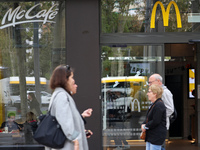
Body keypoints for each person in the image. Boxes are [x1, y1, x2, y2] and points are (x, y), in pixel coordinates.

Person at [45, 65, 90, 150]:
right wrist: (75, 139)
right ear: (65, 79)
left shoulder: (59, 94)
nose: (73, 81)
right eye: (72, 77)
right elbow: (64, 120)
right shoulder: (61, 95)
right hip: (67, 146)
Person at [148, 74, 174, 150]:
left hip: (160, 126)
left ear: (158, 81)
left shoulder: (165, 92)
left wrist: (159, 117)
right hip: (155, 125)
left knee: (157, 146)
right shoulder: (156, 92)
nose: (149, 84)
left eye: (151, 82)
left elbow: (170, 109)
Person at [141, 84, 166, 150]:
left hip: (156, 136)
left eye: (149, 92)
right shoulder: (154, 104)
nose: (147, 94)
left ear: (155, 94)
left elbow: (156, 121)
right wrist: (143, 124)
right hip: (151, 136)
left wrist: (145, 126)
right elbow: (148, 118)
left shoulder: (159, 105)